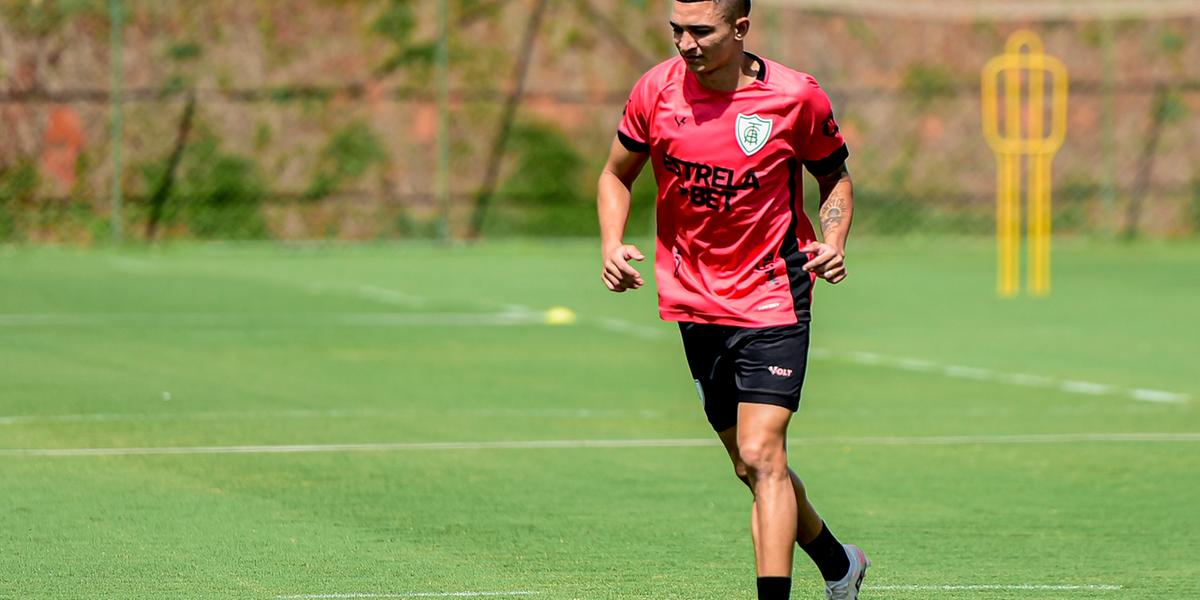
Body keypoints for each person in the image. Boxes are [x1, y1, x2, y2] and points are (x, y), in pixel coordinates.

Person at [595, 1, 868, 599]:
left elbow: (834, 176)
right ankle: (837, 562)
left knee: (761, 450)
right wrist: (612, 243)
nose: (685, 43)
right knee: (748, 466)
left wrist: (833, 240)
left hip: (775, 291)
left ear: (740, 29)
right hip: (694, 298)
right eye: (676, 30)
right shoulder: (654, 92)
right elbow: (616, 174)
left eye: (701, 31)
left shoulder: (796, 97)